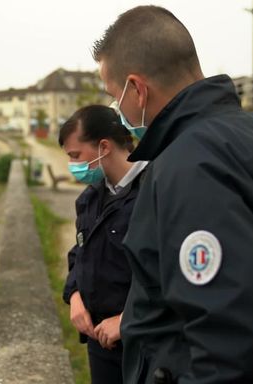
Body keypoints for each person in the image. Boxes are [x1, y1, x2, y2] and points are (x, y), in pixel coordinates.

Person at [92, 5, 253, 384]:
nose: (116, 110)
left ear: (137, 89)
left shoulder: (190, 167)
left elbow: (235, 352)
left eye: (115, 95)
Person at [59, 105, 148, 384]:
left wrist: (126, 321)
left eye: (76, 156)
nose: (73, 165)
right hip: (99, 341)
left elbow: (168, 275)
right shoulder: (89, 199)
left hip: (143, 345)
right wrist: (74, 298)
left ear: (104, 147)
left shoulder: (154, 193)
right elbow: (79, 254)